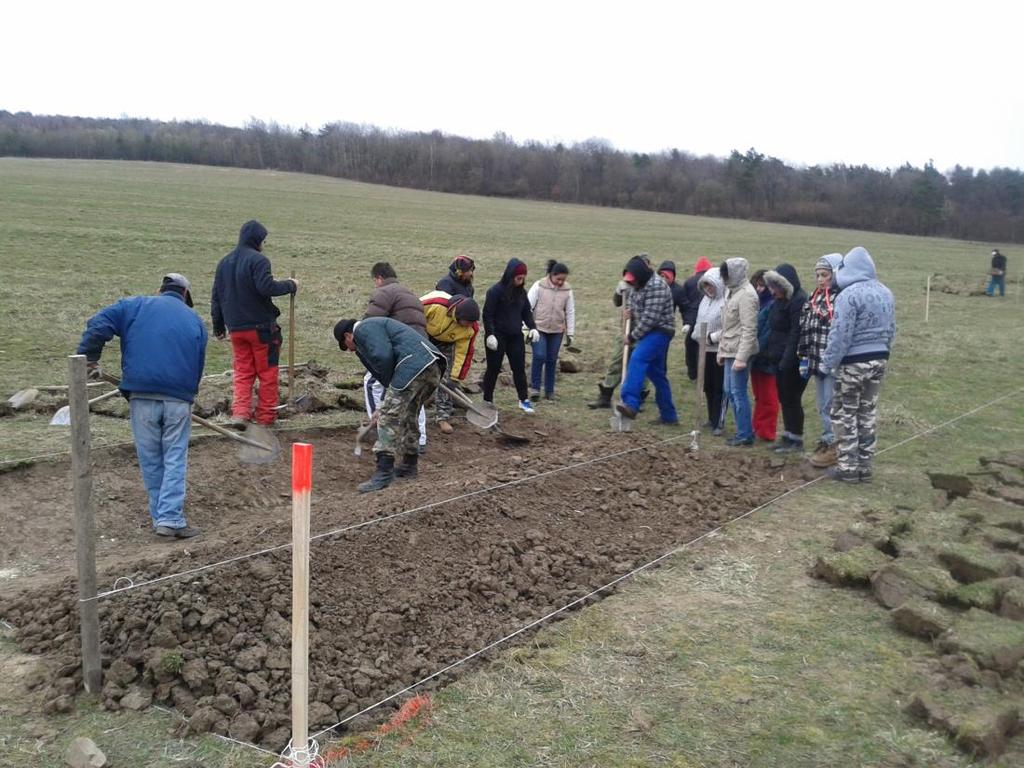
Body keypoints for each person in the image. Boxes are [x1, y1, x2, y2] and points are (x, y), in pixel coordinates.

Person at [77, 274, 207, 538]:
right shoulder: (195, 320)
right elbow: (199, 363)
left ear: (160, 289)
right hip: (178, 399)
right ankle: (169, 518)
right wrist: (188, 395)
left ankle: (162, 518)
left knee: (151, 459)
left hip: (141, 395)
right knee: (174, 457)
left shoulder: (133, 306)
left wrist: (90, 358)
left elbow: (98, 324)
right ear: (184, 295)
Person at [334, 317, 446, 492]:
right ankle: (410, 464)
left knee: (387, 418)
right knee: (410, 414)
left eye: (345, 345)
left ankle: (384, 472)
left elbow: (383, 356)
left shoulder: (363, 329)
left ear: (348, 335)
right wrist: (384, 401)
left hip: (412, 367)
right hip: (433, 365)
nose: (348, 350)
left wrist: (384, 404)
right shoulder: (375, 327)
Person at [819, 246, 896, 483]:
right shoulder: (886, 292)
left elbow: (840, 334)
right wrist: (884, 352)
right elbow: (892, 328)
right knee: (867, 412)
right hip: (879, 358)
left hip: (853, 362)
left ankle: (847, 467)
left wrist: (827, 363)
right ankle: (865, 465)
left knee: (845, 412)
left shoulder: (848, 295)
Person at [211, 220, 297, 427]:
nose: (264, 244)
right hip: (261, 329)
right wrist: (291, 285)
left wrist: (218, 327)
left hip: (236, 329)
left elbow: (216, 297)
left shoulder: (224, 262)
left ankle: (240, 414)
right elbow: (266, 287)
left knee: (243, 372)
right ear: (257, 240)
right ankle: (266, 418)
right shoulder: (259, 261)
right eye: (263, 240)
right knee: (267, 373)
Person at [362, 262, 429, 452]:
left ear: (379, 278)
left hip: (402, 351)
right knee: (415, 392)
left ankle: (378, 429)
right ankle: (420, 440)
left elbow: (370, 323)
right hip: (421, 350)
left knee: (371, 381)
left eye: (375, 281)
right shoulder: (409, 293)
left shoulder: (384, 292)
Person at [614, 255, 678, 424]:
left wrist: (631, 336)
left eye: (632, 280)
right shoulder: (638, 285)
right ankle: (669, 415)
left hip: (661, 330)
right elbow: (637, 306)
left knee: (637, 358)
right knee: (656, 374)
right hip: (649, 331)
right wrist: (631, 313)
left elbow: (651, 318)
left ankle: (630, 404)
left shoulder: (657, 286)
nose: (631, 283)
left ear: (640, 275)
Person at [798, 253, 843, 467]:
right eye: (817, 275)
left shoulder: (841, 298)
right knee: (820, 404)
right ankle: (827, 440)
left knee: (830, 405)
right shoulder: (814, 297)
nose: (820, 279)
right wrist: (804, 356)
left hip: (833, 363)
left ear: (835, 274)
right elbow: (805, 328)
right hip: (816, 360)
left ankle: (834, 447)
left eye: (824, 275)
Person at [760, 264, 809, 453]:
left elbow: (795, 333)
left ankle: (796, 438)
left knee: (792, 398)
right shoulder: (779, 301)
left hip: (792, 360)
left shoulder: (798, 301)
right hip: (778, 358)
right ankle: (788, 435)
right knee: (784, 397)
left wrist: (787, 360)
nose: (772, 291)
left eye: (775, 287)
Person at [482, 258, 539, 413]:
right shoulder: (495, 292)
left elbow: (526, 312)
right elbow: (488, 314)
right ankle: (487, 399)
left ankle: (523, 400)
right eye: (518, 278)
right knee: (493, 368)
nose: (521, 281)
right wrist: (490, 334)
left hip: (515, 336)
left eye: (523, 278)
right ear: (510, 275)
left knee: (519, 368)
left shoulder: (522, 294)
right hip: (497, 336)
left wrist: (533, 327)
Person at [420, 290, 480, 433]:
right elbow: (411, 313)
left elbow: (463, 353)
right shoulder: (436, 304)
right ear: (459, 315)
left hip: (446, 344)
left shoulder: (471, 329)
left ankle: (443, 416)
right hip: (422, 335)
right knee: (419, 373)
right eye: (467, 322)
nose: (468, 326)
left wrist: (456, 377)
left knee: (446, 379)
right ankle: (415, 407)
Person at [716, 258, 759, 446]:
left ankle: (745, 434)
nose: (724, 279)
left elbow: (749, 329)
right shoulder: (731, 292)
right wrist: (721, 350)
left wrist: (742, 358)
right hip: (729, 350)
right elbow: (727, 326)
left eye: (727, 275)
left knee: (737, 392)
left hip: (740, 352)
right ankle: (743, 430)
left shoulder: (747, 295)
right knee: (728, 390)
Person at [527, 260, 576, 400]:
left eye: (563, 280)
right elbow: (527, 306)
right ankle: (535, 388)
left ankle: (550, 391)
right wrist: (526, 327)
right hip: (538, 329)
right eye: (558, 279)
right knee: (539, 355)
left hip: (557, 330)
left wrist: (570, 333)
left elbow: (570, 311)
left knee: (552, 359)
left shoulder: (568, 291)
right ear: (551, 275)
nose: (560, 282)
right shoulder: (539, 286)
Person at [691, 267, 726, 433]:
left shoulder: (726, 301)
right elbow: (700, 321)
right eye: (705, 286)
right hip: (704, 349)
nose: (708, 289)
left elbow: (729, 327)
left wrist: (713, 337)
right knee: (708, 386)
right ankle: (711, 418)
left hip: (718, 350)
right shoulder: (705, 300)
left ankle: (718, 421)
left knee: (719, 387)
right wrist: (696, 336)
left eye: (711, 285)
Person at [749, 269, 780, 443]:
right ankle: (757, 426)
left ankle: (767, 432)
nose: (760, 289)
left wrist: (757, 349)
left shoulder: (772, 305)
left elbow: (766, 332)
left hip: (767, 356)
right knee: (759, 395)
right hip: (756, 356)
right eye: (757, 285)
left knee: (769, 396)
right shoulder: (758, 303)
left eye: (763, 286)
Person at [680, 257, 714, 381]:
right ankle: (705, 372)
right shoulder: (713, 281)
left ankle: (693, 372)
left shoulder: (689, 282)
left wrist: (686, 321)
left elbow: (684, 303)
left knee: (691, 345)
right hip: (709, 318)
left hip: (693, 319)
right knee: (706, 346)